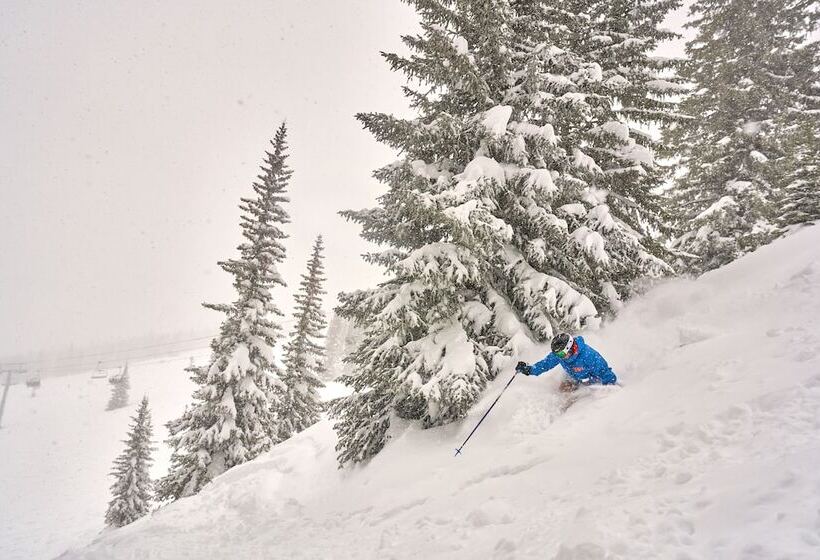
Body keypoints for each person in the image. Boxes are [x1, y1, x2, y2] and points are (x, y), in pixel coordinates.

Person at [516, 332, 617, 391]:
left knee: (576, 399)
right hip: (573, 377)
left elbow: (605, 372)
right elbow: (545, 364)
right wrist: (528, 369)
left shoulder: (589, 356)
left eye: (560, 354)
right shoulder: (560, 355)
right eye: (557, 354)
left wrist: (608, 387)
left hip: (591, 381)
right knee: (562, 391)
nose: (559, 357)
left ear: (570, 347)